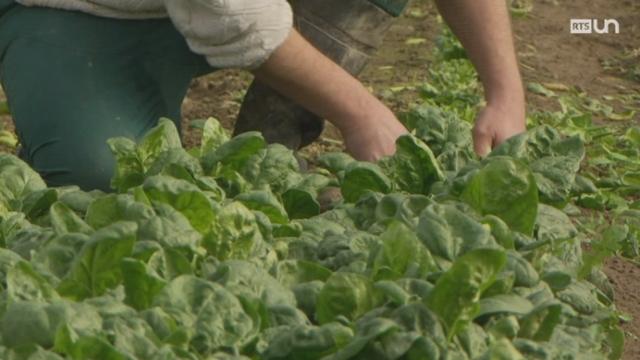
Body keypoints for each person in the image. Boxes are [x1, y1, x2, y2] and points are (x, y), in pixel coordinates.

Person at [0, 0, 526, 192]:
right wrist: (363, 114)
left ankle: (275, 139)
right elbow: (231, 13)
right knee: (108, 182)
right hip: (82, 14)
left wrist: (505, 92)